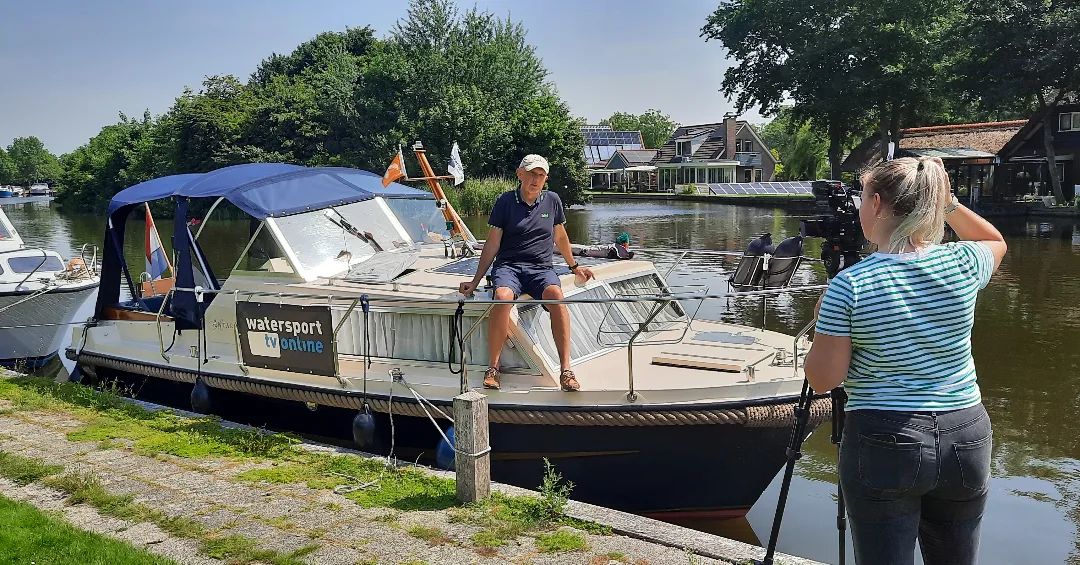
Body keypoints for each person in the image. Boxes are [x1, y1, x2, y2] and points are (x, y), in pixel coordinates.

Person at [803, 157, 1007, 565]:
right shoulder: (962, 263)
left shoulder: (851, 285)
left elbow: (824, 380)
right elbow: (995, 240)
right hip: (966, 432)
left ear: (877, 204)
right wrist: (946, 204)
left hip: (885, 437)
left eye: (863, 198)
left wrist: (823, 321)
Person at [458, 154, 595, 391]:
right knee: (502, 297)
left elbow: (560, 237)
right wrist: (475, 281)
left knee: (556, 295)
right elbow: (492, 244)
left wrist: (574, 267)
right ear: (519, 174)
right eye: (531, 174)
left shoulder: (552, 200)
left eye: (540, 175)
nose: (535, 179)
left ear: (546, 179)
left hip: (541, 268)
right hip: (509, 267)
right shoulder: (505, 202)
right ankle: (493, 367)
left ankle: (566, 370)